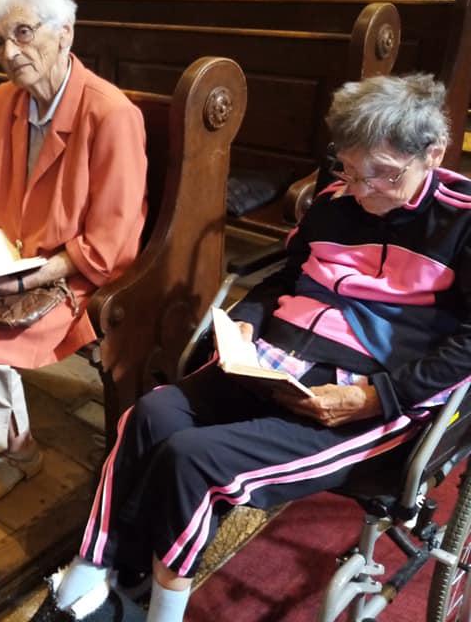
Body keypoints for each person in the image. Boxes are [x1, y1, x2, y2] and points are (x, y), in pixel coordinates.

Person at [32, 73, 471, 622]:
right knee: (148, 415)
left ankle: (161, 613)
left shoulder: (461, 220)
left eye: (381, 174)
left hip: (368, 390)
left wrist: (377, 397)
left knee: (193, 460)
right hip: (277, 359)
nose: (360, 190)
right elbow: (285, 278)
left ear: (433, 154)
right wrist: (246, 321)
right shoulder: (335, 202)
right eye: (349, 170)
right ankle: (90, 577)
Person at [0, 0, 148, 506]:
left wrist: (21, 279)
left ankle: (18, 456)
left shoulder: (111, 114)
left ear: (65, 32)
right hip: (13, 267)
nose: (11, 52)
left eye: (23, 32)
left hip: (76, 278)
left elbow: (109, 248)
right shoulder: (5, 101)